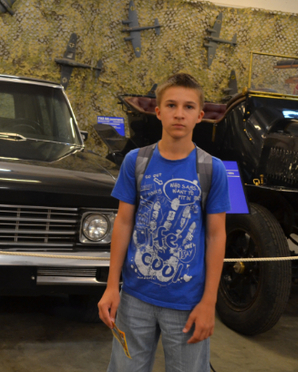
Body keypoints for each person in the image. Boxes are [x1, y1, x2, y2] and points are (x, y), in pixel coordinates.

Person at [98, 73, 230, 372]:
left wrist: (209, 302)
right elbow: (123, 223)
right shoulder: (136, 162)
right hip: (135, 298)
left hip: (187, 303)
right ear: (158, 112)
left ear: (200, 115)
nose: (179, 114)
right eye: (171, 105)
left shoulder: (212, 170)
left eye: (188, 106)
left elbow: (215, 236)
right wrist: (112, 286)